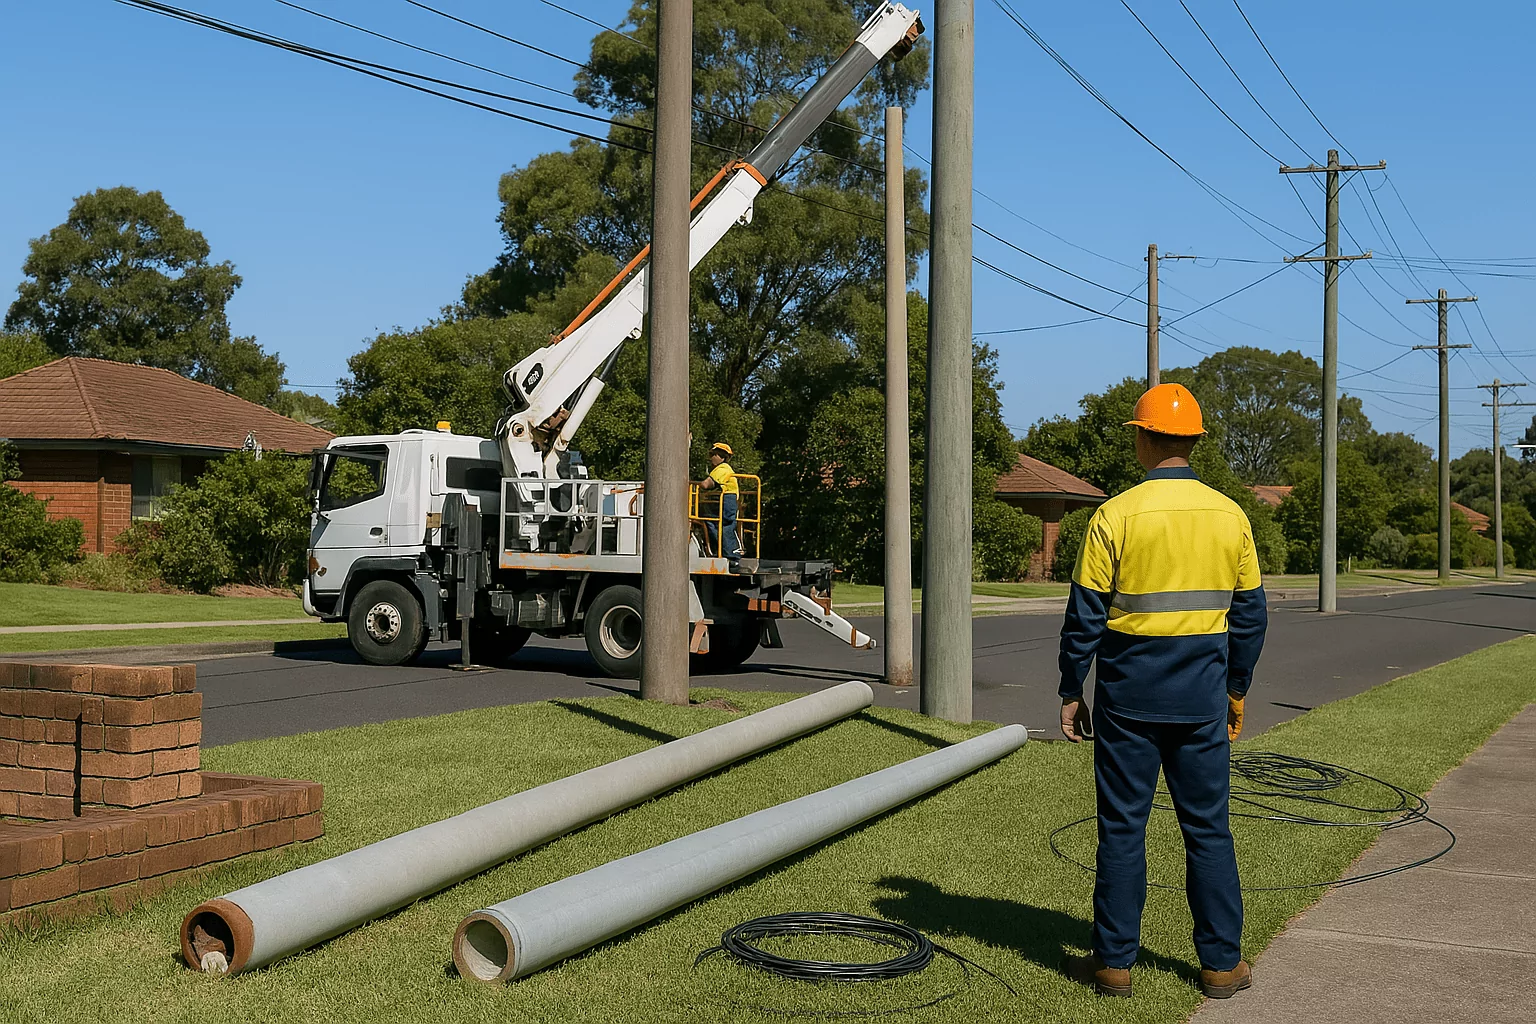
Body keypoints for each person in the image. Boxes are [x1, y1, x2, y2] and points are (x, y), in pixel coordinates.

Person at [1057, 383, 1268, 1001]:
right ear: (1195, 441)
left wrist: (1073, 687)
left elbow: (1085, 617)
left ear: (1144, 438)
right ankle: (1221, 965)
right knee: (1208, 829)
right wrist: (1236, 686)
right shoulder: (1231, 516)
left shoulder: (1114, 516)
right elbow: (1250, 618)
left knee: (1122, 829)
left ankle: (1114, 965)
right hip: (1201, 701)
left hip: (1127, 701)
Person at [698, 441, 742, 561]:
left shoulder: (723, 468)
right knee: (711, 522)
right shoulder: (723, 469)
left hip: (727, 500)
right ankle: (722, 550)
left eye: (713, 454)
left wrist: (693, 485)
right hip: (726, 500)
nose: (711, 457)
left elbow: (706, 484)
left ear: (721, 457)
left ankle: (733, 555)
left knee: (726, 526)